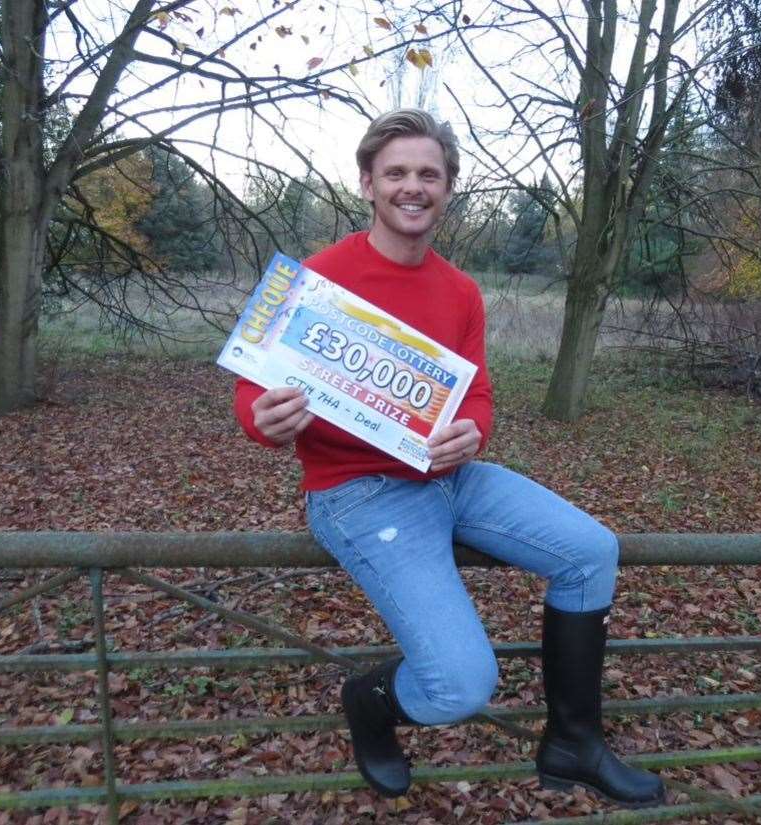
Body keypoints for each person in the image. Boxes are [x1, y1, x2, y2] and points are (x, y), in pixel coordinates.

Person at [233, 108, 665, 808]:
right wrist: (263, 419)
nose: (413, 186)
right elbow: (253, 390)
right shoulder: (311, 280)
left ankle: (573, 741)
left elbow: (479, 397)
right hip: (357, 492)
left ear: (449, 188)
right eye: (397, 172)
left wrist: (472, 433)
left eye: (428, 174)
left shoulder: (461, 290)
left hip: (453, 478)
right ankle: (371, 701)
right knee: (460, 684)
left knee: (591, 550)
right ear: (368, 183)